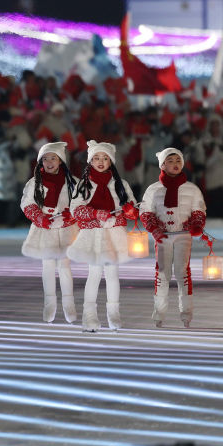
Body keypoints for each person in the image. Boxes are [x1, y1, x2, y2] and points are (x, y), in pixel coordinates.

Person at [66, 141, 137, 333]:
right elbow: (75, 209)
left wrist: (129, 210)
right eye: (96, 158)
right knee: (94, 274)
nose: (100, 161)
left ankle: (114, 313)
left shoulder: (120, 184)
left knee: (112, 274)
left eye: (105, 158)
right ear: (90, 161)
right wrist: (95, 213)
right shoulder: (84, 185)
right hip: (94, 235)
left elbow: (132, 206)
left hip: (114, 234)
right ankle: (89, 315)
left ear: (111, 161)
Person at [139, 148, 207, 327]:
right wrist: (154, 228)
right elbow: (145, 211)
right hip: (162, 237)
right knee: (162, 273)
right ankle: (159, 312)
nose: (175, 164)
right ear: (162, 165)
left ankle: (186, 312)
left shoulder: (191, 189)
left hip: (183, 235)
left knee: (182, 272)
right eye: (170, 161)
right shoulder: (153, 189)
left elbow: (199, 209)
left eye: (178, 160)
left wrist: (196, 224)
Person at [19, 141, 79, 323]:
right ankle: (49, 303)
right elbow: (27, 203)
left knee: (64, 266)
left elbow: (81, 201)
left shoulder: (73, 182)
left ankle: (69, 303)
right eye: (45, 159)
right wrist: (39, 217)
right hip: (45, 229)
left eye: (53, 158)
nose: (49, 162)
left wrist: (71, 213)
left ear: (61, 160)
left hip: (66, 229)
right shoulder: (34, 182)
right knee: (48, 266)